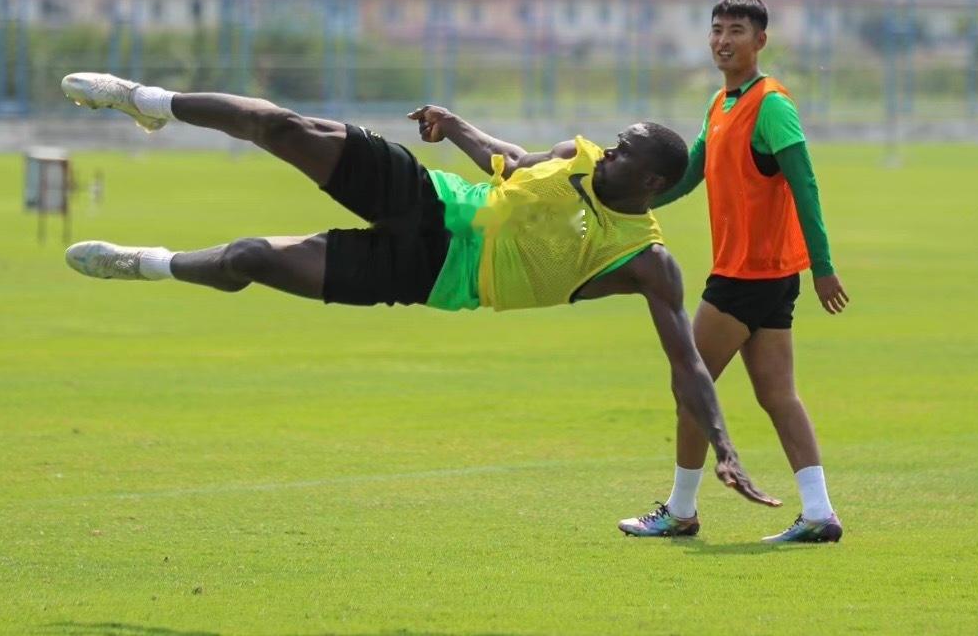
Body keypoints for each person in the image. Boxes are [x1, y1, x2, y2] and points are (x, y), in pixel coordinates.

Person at [57, 71, 783, 513]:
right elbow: (511, 163)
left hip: (429, 274)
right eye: (614, 140)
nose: (608, 149)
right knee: (281, 125)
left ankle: (145, 263)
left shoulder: (647, 260)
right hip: (429, 197)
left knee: (251, 258)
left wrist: (723, 443)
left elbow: (688, 364)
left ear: (651, 182)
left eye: (625, 150)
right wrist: (456, 124)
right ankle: (147, 99)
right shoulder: (577, 158)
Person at [618, 0, 848, 543]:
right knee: (777, 395)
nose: (723, 40)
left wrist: (824, 265)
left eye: (736, 31)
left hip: (747, 277)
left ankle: (680, 510)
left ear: (760, 41)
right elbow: (691, 172)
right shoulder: (720, 105)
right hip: (765, 278)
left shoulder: (771, 105)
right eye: (717, 29)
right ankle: (819, 513)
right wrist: (630, 204)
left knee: (690, 387)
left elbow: (804, 183)